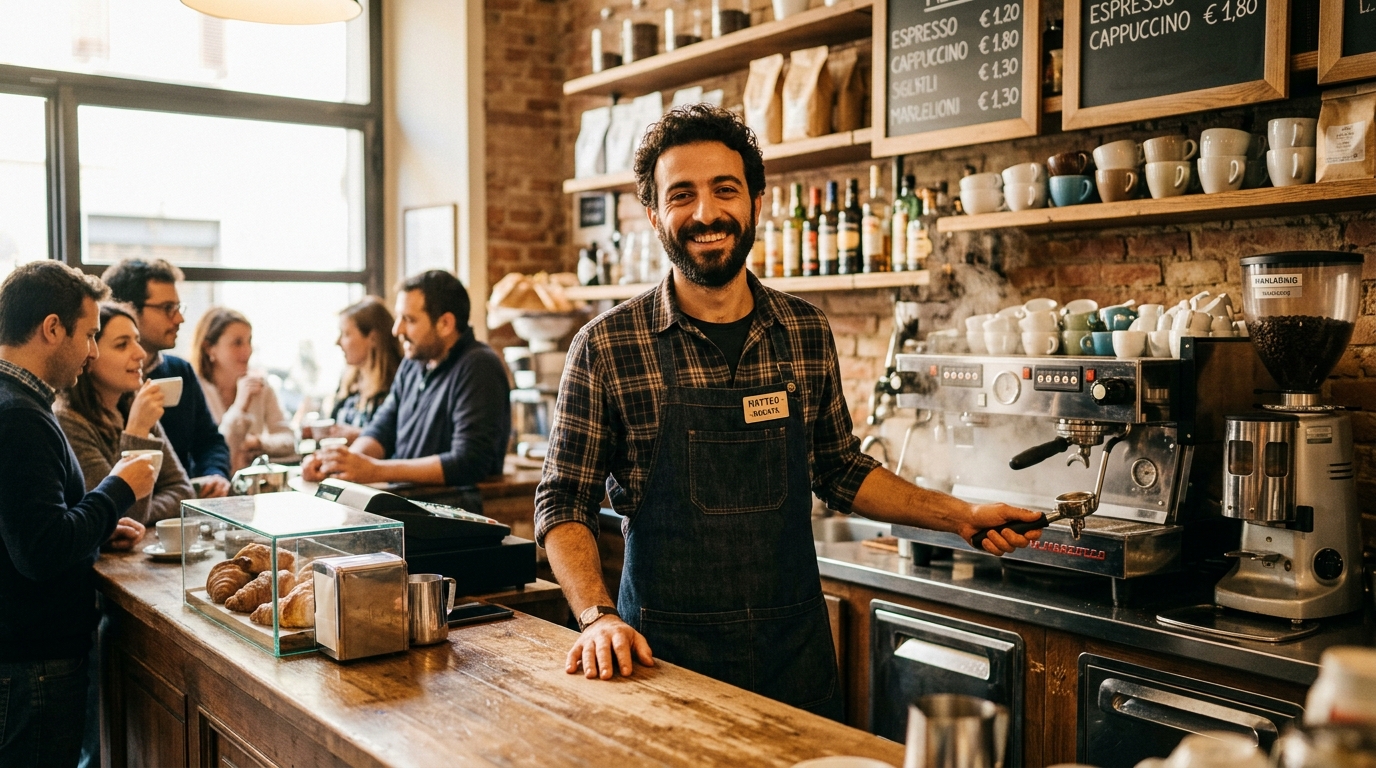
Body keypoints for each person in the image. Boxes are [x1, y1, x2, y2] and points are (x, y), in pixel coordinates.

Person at [533, 105, 1043, 719]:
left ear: (755, 202)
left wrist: (960, 515)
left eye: (725, 189)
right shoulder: (607, 346)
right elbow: (563, 500)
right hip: (663, 659)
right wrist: (595, 617)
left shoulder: (802, 330)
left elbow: (839, 469)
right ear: (653, 215)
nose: (706, 214)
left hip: (793, 658)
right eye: (681, 195)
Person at [0, 262, 152, 766]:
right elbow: (40, 552)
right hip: (33, 663)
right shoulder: (20, 416)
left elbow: (29, 526)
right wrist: (116, 491)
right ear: (51, 329)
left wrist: (94, 529)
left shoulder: (20, 405)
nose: (91, 350)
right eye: (89, 335)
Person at [301, 271, 510, 513]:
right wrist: (341, 464)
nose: (396, 329)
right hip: (408, 506)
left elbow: (468, 462)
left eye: (409, 320)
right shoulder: (413, 363)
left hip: (453, 518)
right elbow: (382, 430)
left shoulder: (478, 365)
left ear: (445, 324)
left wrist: (375, 470)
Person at [101, 259, 232, 497]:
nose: (179, 319)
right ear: (128, 308)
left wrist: (216, 475)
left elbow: (210, 441)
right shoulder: (102, 384)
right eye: (167, 308)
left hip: (182, 505)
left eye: (178, 308)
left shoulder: (180, 371)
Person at [57, 302, 195, 525]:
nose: (140, 353)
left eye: (137, 341)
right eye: (122, 345)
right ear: (90, 355)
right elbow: (118, 516)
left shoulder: (132, 406)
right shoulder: (68, 422)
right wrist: (137, 432)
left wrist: (145, 512)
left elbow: (183, 492)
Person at [191, 308, 297, 472]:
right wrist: (239, 407)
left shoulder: (261, 387)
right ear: (209, 348)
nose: (247, 350)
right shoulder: (194, 391)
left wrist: (258, 443)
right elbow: (212, 452)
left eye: (249, 341)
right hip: (211, 486)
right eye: (237, 342)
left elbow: (290, 440)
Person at [328, 296, 403, 440]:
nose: (337, 342)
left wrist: (359, 436)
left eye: (346, 334)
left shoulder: (397, 386)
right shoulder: (349, 384)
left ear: (373, 338)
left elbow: (400, 442)